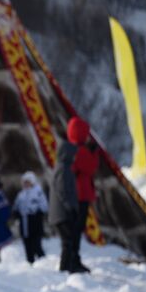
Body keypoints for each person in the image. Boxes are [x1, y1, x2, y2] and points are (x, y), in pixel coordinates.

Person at [49, 117, 99, 274]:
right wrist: (94, 152)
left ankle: (72, 260)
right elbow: (91, 167)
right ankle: (72, 262)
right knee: (75, 232)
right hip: (80, 195)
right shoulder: (80, 151)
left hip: (76, 194)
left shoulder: (68, 151)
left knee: (73, 233)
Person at [14, 171, 49, 264]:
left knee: (36, 245)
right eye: (24, 182)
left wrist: (37, 213)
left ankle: (43, 262)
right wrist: (17, 213)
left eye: (28, 182)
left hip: (35, 223)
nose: (26, 184)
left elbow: (44, 206)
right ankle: (30, 262)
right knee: (27, 244)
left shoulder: (38, 192)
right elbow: (16, 206)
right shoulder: (21, 194)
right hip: (24, 223)